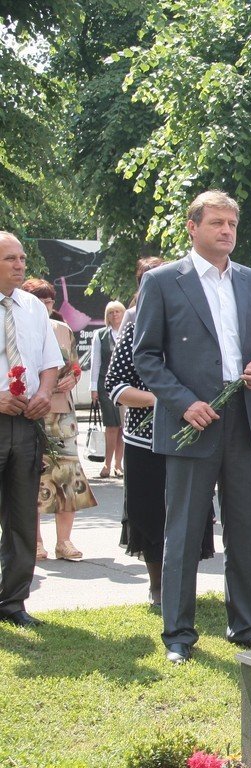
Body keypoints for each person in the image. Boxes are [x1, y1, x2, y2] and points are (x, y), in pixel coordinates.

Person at [134, 190, 251, 662]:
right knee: (186, 530)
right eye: (217, 222)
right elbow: (146, 357)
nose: (227, 231)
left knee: (243, 528)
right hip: (192, 418)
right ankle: (178, 634)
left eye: (232, 223)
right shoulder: (161, 281)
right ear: (192, 227)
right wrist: (182, 403)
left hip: (243, 417)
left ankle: (247, 627)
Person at [111, 257, 214, 607]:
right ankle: (158, 586)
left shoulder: (198, 320)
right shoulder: (136, 324)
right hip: (148, 439)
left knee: (192, 510)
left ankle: (185, 585)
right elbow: (117, 385)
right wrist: (167, 398)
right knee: (154, 511)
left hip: (193, 430)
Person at [0, 231, 63, 627]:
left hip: (25, 424)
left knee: (23, 516)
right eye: (11, 259)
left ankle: (12, 602)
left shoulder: (32, 307)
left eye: (22, 258)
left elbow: (50, 362)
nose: (21, 264)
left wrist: (44, 392)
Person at [22, 279, 95, 563]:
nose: (45, 307)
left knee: (67, 476)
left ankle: (64, 541)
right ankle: (35, 542)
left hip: (62, 414)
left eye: (49, 301)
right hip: (30, 411)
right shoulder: (17, 327)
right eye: (39, 301)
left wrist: (73, 377)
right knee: (32, 477)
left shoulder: (63, 330)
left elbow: (74, 365)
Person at [89, 300, 126, 478]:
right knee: (111, 425)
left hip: (127, 386)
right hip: (106, 386)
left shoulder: (130, 331)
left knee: (123, 426)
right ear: (107, 317)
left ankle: (119, 464)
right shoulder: (100, 335)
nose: (115, 315)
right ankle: (107, 463)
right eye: (111, 312)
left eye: (118, 311)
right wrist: (93, 388)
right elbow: (95, 362)